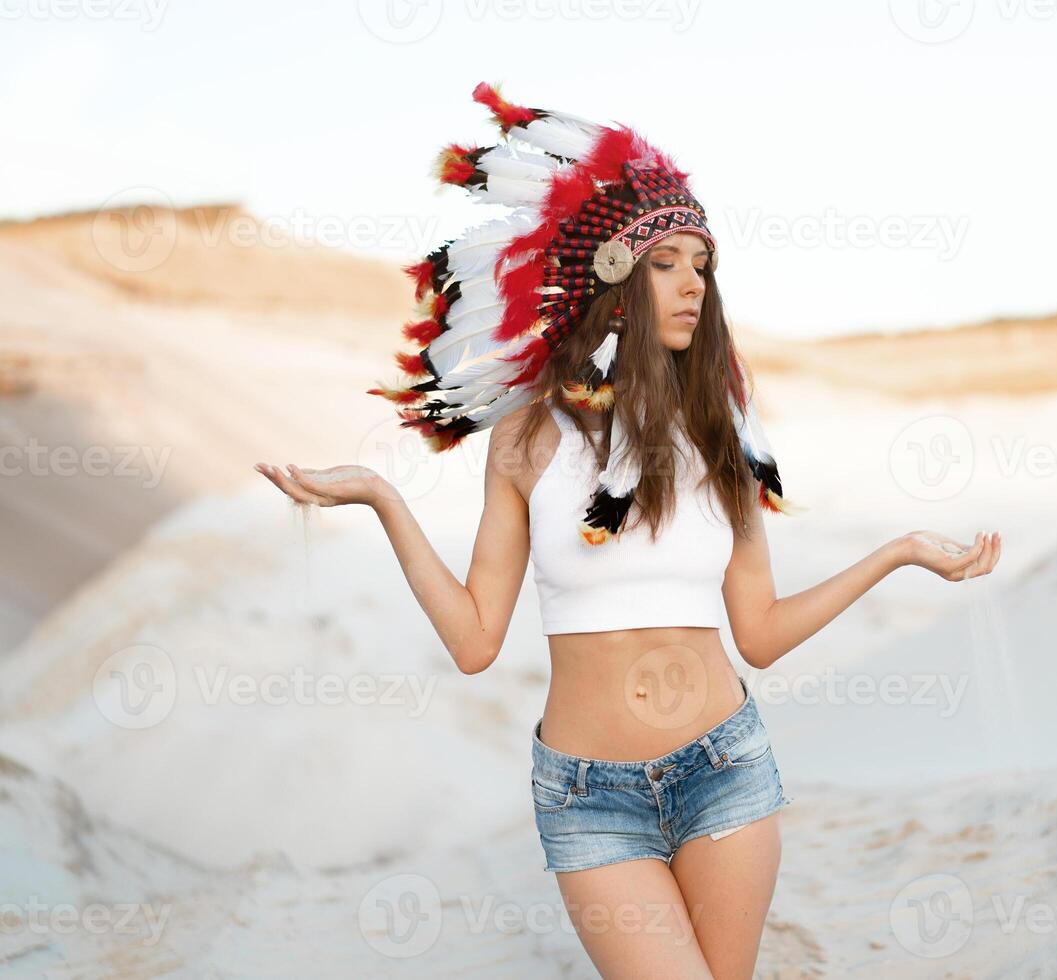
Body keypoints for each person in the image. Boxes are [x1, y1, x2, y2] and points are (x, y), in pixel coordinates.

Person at [255, 83, 1002, 979]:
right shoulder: (528, 438)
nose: (693, 281)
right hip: (589, 792)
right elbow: (473, 641)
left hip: (726, 766)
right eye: (667, 262)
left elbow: (757, 634)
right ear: (613, 278)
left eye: (703, 263)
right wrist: (382, 496)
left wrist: (898, 554)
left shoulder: (724, 431)